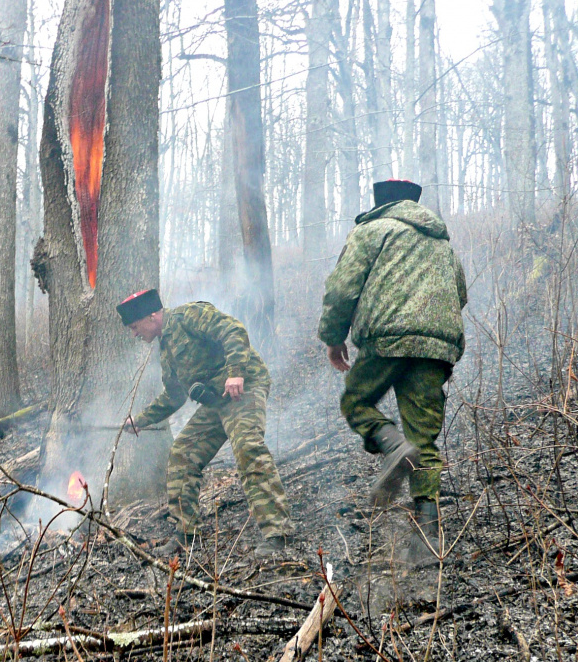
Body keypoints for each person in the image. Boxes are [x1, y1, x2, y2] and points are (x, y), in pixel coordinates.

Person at [317, 179, 467, 566]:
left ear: (379, 203)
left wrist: (334, 338)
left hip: (387, 337)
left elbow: (341, 290)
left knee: (356, 400)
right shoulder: (440, 241)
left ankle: (393, 445)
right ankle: (427, 540)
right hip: (436, 345)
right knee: (426, 439)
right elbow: (460, 292)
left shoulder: (369, 231)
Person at [117, 289, 293, 558]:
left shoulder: (189, 315)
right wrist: (140, 420)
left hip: (244, 388)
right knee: (182, 454)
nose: (134, 334)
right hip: (217, 402)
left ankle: (278, 535)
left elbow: (233, 330)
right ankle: (187, 535)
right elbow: (174, 395)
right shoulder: (165, 350)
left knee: (248, 449)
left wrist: (235, 373)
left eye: (134, 327)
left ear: (151, 316)